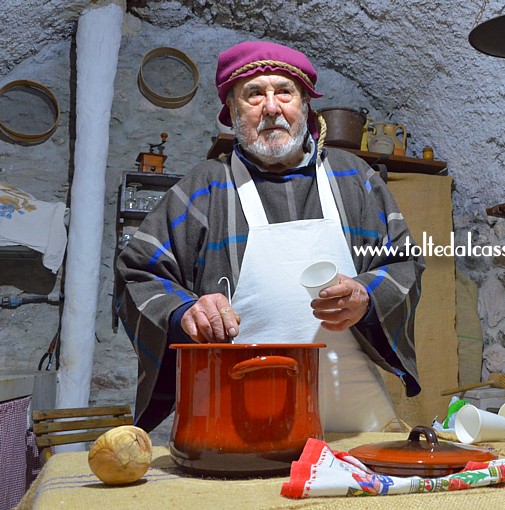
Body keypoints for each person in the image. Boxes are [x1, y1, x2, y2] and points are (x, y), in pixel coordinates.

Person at [115, 41, 423, 433]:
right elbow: (137, 273)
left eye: (285, 92)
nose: (272, 107)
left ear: (305, 107)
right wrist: (183, 312)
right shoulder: (205, 187)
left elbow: (405, 261)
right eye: (254, 94)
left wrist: (367, 295)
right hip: (236, 419)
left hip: (355, 419)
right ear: (232, 113)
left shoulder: (354, 178)